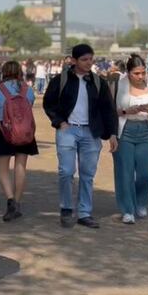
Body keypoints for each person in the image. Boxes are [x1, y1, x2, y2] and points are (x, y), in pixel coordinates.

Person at [43, 44, 118, 229]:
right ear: (74, 61)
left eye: (91, 59)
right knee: (66, 171)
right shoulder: (60, 80)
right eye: (84, 60)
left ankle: (85, 212)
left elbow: (108, 109)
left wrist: (113, 133)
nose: (88, 63)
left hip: (91, 133)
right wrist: (59, 122)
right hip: (67, 130)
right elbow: (48, 103)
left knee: (87, 174)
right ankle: (66, 208)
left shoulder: (98, 82)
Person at [113, 55, 148, 224]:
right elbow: (113, 110)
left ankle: (141, 202)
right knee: (125, 172)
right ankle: (127, 209)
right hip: (125, 130)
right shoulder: (119, 85)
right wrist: (128, 111)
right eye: (136, 73)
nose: (141, 76)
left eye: (143, 72)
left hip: (146, 130)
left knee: (147, 171)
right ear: (128, 73)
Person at [0, 61, 38, 222]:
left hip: (5, 131)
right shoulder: (28, 90)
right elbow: (28, 109)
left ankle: (10, 200)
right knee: (20, 166)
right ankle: (17, 201)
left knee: (3, 169)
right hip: (25, 132)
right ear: (19, 72)